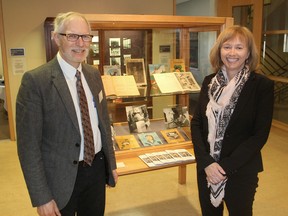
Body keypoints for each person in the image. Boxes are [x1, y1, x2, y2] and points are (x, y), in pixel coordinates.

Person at [16, 12, 118, 216]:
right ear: (56, 38)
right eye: (72, 36)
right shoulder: (36, 82)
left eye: (86, 36)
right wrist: (41, 196)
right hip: (59, 179)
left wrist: (110, 164)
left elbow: (103, 123)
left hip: (96, 169)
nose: (80, 43)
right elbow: (29, 147)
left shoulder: (93, 74)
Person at [191, 25, 274, 216]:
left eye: (239, 47)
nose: (232, 53)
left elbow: (259, 135)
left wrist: (223, 168)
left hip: (241, 170)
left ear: (248, 53)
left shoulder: (261, 86)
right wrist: (206, 162)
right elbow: (197, 124)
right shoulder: (209, 82)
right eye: (227, 46)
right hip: (207, 168)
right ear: (219, 51)